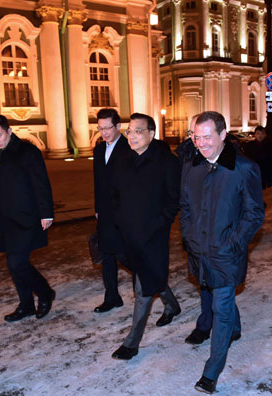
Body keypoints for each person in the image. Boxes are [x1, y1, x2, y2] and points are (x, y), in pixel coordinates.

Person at [180, 111, 264, 393]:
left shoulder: (243, 168)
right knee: (215, 293)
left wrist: (234, 243)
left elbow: (254, 214)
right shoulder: (191, 166)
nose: (200, 143)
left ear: (223, 135)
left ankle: (211, 371)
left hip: (227, 251)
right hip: (199, 249)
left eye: (206, 137)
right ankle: (236, 329)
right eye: (196, 136)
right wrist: (189, 236)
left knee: (220, 308)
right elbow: (186, 206)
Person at [109, 113, 181, 360]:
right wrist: (118, 220)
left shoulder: (167, 162)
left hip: (153, 236)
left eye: (139, 131)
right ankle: (172, 304)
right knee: (151, 274)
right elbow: (115, 194)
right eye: (130, 131)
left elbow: (174, 201)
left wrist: (157, 225)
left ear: (152, 133)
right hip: (127, 233)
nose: (133, 136)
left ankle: (131, 343)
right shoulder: (123, 160)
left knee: (142, 287)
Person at [0, 114, 56, 322]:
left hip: (28, 217)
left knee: (16, 262)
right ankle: (26, 304)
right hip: (7, 219)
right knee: (14, 264)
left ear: (9, 131)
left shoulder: (28, 152)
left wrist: (46, 212)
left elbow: (41, 184)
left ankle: (45, 292)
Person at [92, 108, 132, 313]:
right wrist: (98, 208)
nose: (104, 132)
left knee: (126, 256)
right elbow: (98, 182)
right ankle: (112, 297)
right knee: (107, 254)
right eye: (100, 128)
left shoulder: (129, 148)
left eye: (108, 128)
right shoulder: (98, 150)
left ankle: (151, 287)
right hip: (105, 213)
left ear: (118, 126)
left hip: (124, 213)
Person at [244, 126, 272, 190]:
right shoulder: (249, 145)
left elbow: (271, 163)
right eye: (258, 133)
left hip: (264, 173)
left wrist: (270, 179)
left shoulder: (270, 146)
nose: (260, 136)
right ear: (255, 134)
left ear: (265, 135)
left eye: (262, 133)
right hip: (252, 173)